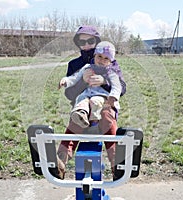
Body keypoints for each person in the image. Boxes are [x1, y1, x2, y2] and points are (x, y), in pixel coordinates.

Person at [56, 25, 126, 179]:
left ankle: (117, 164)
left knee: (107, 115)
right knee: (76, 119)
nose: (86, 45)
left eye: (90, 40)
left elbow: (121, 87)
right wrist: (83, 80)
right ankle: (60, 162)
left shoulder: (112, 65)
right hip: (83, 106)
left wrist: (103, 81)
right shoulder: (75, 65)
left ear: (97, 41)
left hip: (104, 105)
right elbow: (69, 93)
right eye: (82, 42)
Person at [59, 41, 121, 129]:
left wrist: (113, 97)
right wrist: (66, 81)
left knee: (95, 101)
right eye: (99, 56)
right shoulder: (87, 67)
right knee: (80, 99)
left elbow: (117, 86)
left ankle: (94, 122)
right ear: (94, 55)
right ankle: (81, 116)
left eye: (106, 58)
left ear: (110, 62)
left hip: (102, 95)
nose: (102, 60)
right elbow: (75, 77)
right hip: (87, 94)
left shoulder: (111, 73)